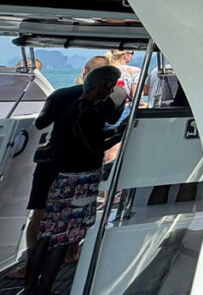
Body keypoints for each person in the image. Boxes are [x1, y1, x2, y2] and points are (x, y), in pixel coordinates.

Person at [10, 57, 125, 278]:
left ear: (85, 73)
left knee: (41, 214)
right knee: (74, 221)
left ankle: (31, 268)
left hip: (54, 163)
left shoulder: (62, 96)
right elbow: (106, 127)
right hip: (85, 168)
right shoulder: (115, 97)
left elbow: (41, 124)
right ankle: (71, 254)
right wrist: (118, 134)